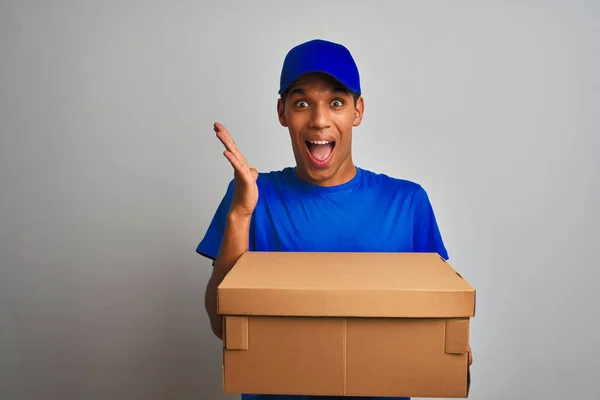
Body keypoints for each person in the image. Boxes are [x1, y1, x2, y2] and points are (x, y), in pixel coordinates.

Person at [197, 39, 470, 400]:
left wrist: (453, 352)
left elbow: (439, 321)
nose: (320, 119)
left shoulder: (406, 202)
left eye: (336, 102)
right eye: (302, 103)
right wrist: (241, 214)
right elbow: (223, 327)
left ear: (357, 111)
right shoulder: (250, 197)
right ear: (282, 113)